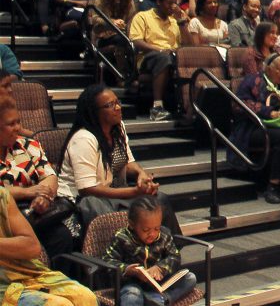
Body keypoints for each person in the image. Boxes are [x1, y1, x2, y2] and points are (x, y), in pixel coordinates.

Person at [56, 85, 180, 236]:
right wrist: (134, 191)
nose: (118, 107)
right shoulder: (84, 138)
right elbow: (87, 189)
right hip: (82, 201)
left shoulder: (118, 127)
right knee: (111, 212)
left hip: (107, 195)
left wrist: (141, 175)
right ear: (95, 113)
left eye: (117, 102)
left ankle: (170, 249)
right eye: (110, 105)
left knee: (159, 199)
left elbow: (128, 163)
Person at [0, 96, 74, 258]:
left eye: (18, 122)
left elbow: (50, 176)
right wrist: (28, 192)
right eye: (11, 124)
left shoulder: (28, 145)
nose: (18, 128)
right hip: (4, 217)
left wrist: (43, 197)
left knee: (62, 237)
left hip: (35, 210)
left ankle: (56, 280)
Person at [0, 187, 97, 306]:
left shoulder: (2, 196)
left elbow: (32, 246)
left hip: (22, 273)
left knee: (86, 297)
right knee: (59, 304)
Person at [102, 196, 198, 306]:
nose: (152, 234)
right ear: (132, 225)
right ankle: (153, 300)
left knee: (190, 278)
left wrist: (160, 268)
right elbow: (108, 261)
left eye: (156, 228)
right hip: (131, 284)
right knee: (132, 296)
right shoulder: (122, 237)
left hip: (159, 284)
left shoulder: (164, 235)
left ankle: (160, 299)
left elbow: (175, 256)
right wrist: (128, 270)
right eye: (146, 230)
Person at [234, 54, 280, 203]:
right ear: (269, 69)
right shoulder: (253, 81)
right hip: (253, 128)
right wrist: (268, 112)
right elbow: (240, 104)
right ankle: (272, 186)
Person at [128, 0, 183, 121]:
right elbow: (136, 41)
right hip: (148, 56)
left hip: (173, 56)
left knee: (190, 58)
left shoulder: (174, 21)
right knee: (163, 57)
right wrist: (159, 50)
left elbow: (185, 44)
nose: (173, 7)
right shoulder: (143, 16)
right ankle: (157, 108)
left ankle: (187, 106)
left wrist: (181, 21)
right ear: (158, 2)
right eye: (169, 3)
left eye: (175, 4)